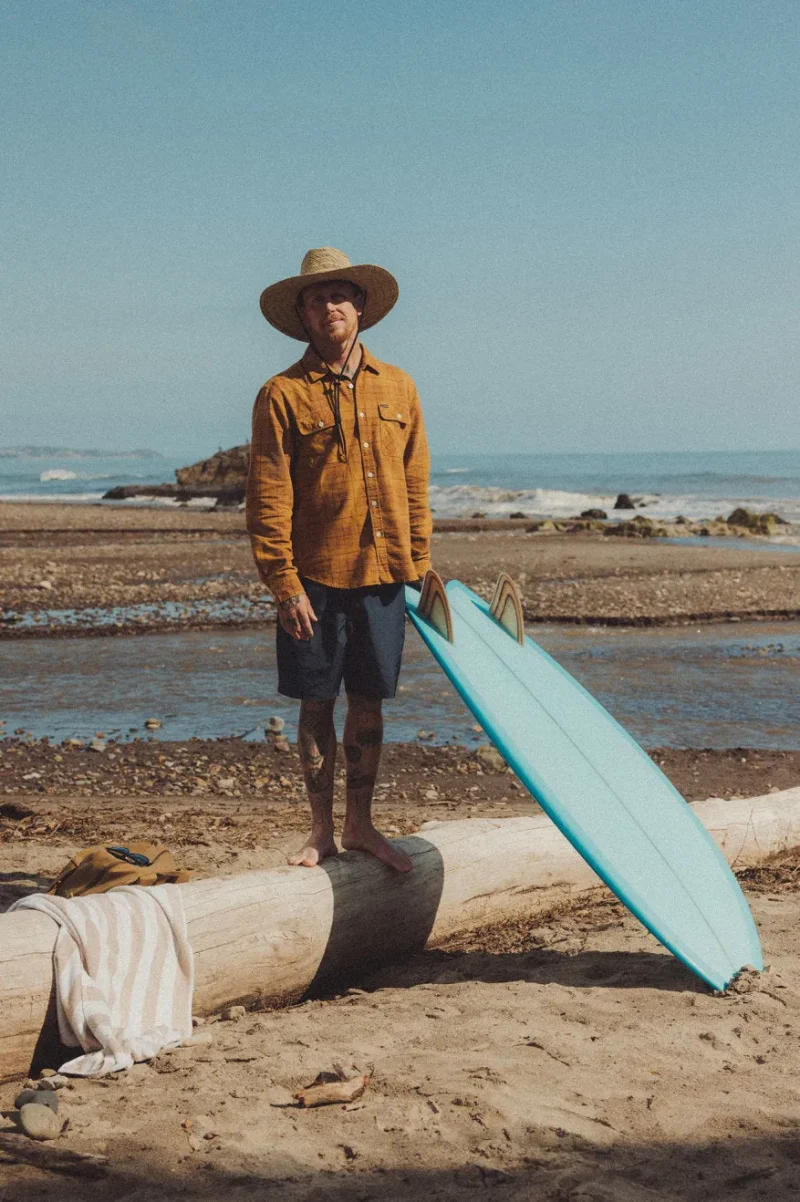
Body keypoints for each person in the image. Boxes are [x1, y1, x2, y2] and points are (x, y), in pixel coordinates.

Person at [247, 247, 432, 872]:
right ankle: (320, 830)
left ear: (361, 308)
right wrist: (283, 584)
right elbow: (269, 495)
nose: (328, 307)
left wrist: (420, 564)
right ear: (301, 314)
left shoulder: (400, 386)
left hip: (384, 577)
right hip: (313, 580)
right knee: (316, 703)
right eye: (315, 298)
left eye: (339, 296)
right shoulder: (280, 394)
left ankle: (362, 826)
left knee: (371, 704)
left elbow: (416, 483)